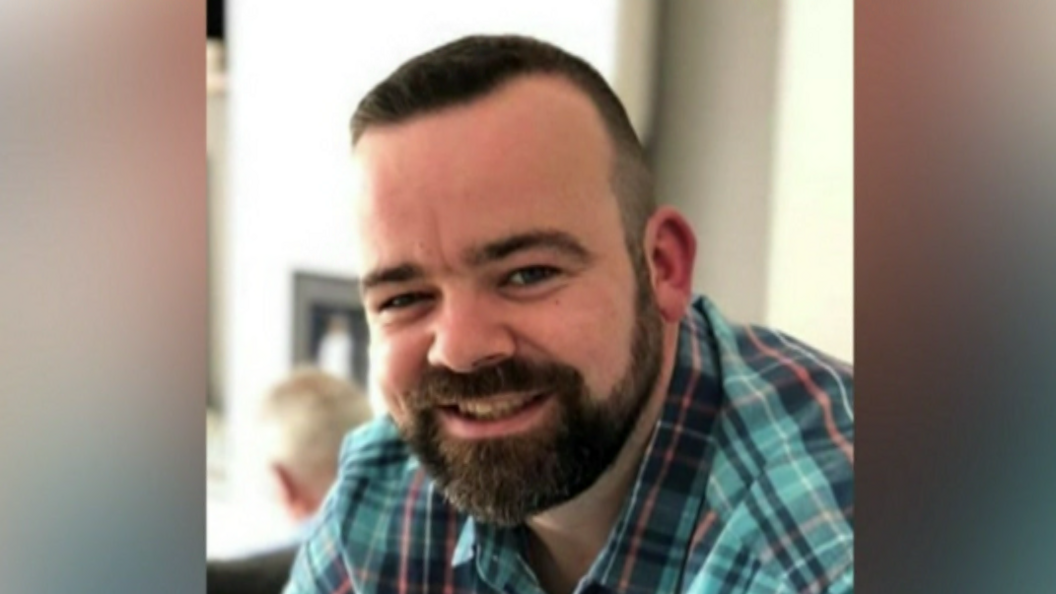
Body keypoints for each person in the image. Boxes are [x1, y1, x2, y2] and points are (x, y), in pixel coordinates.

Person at [285, 35, 853, 594]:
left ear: (663, 268)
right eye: (403, 299)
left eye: (528, 274)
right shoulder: (381, 496)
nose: (459, 348)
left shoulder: (817, 559)